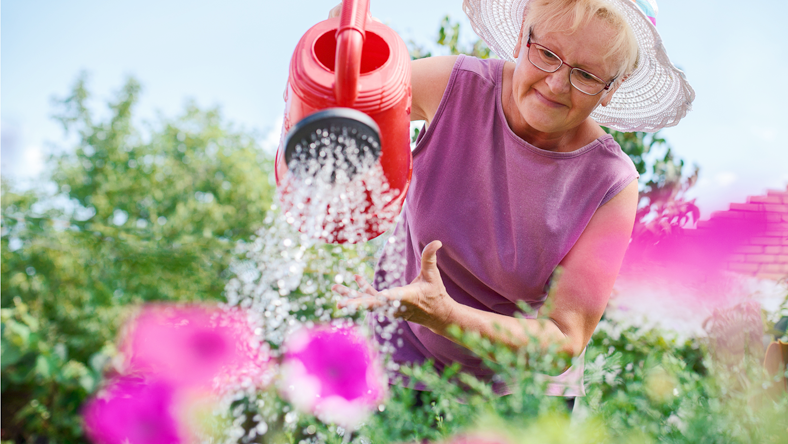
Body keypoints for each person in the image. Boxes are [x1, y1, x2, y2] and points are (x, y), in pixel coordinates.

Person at [332, 0, 694, 404]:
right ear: (524, 35)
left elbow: (563, 337)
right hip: (404, 355)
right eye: (548, 55)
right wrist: (351, 55)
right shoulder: (455, 86)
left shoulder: (611, 183)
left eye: (587, 75)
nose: (556, 85)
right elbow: (353, 99)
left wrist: (446, 315)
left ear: (613, 87)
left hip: (519, 393)